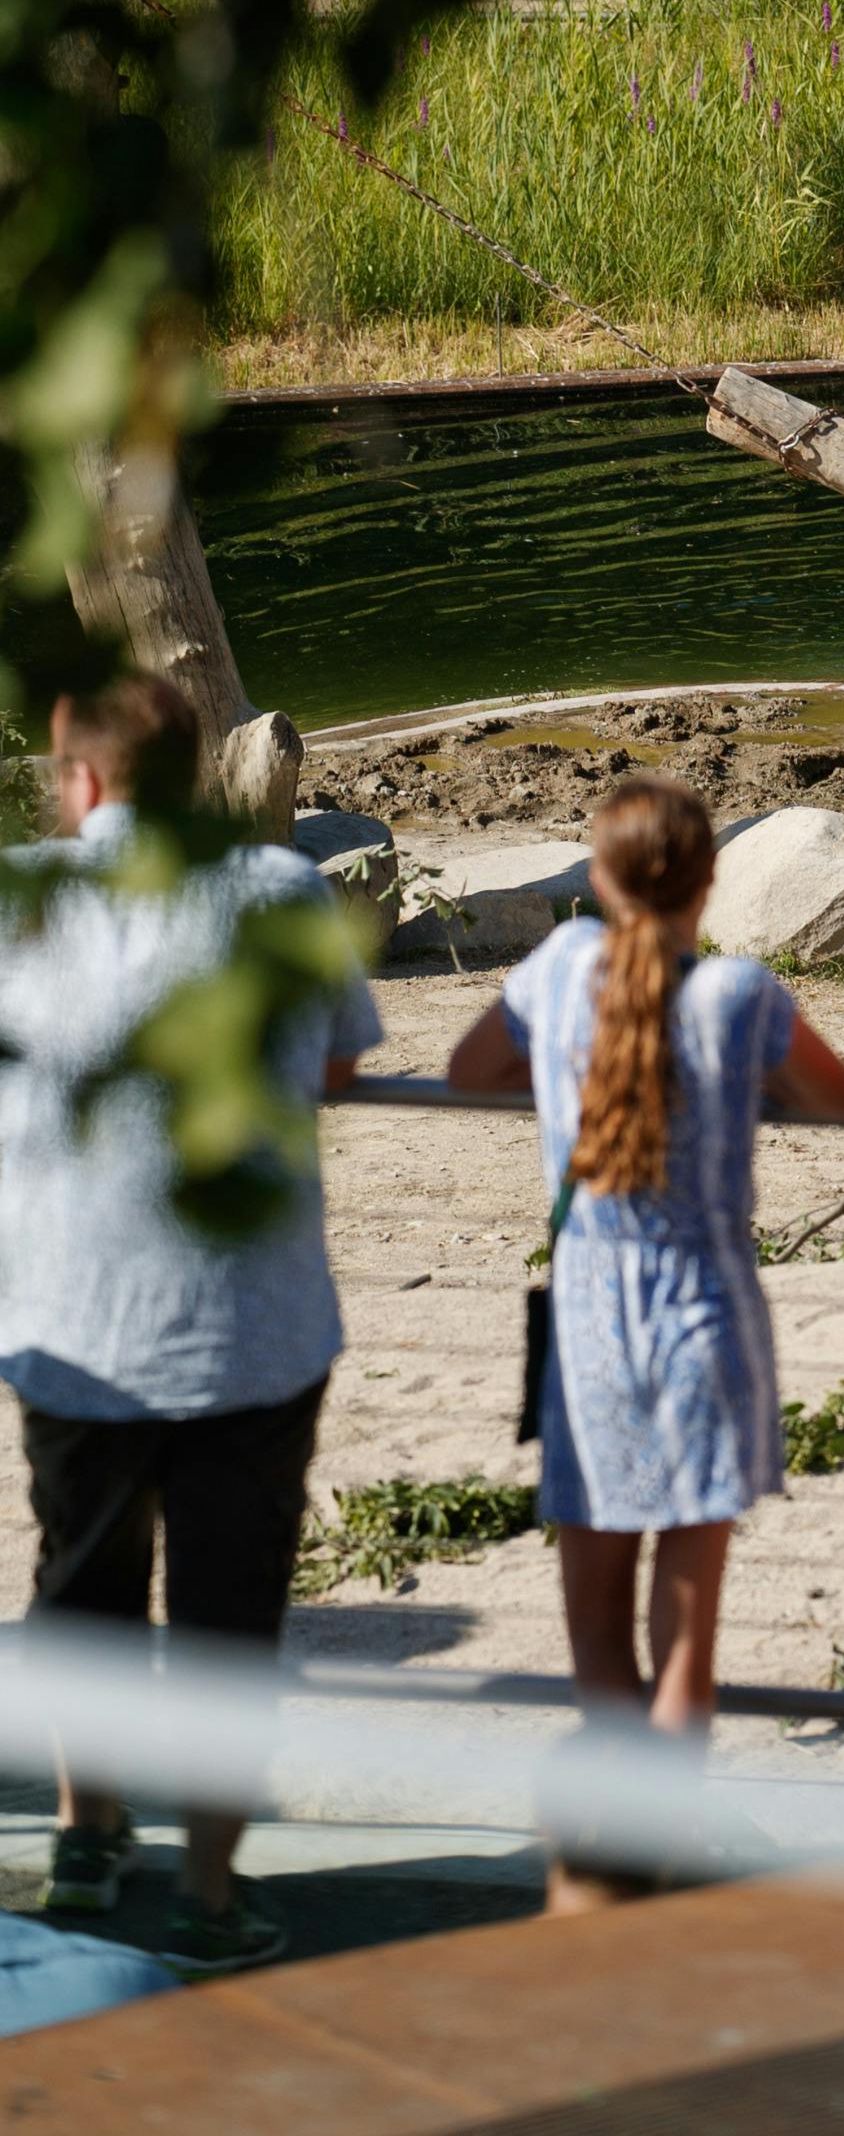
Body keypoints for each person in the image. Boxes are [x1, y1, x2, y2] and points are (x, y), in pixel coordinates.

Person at [0, 677, 378, 1975]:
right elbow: (338, 1058)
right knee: (230, 1612)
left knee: (78, 1586)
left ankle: (85, 1831)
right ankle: (212, 1892)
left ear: (84, 779)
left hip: (74, 1315)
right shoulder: (279, 891)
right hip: (250, 1327)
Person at [446, 777, 844, 1913]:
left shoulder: (556, 976)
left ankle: (607, 1862)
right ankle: (665, 1854)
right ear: (708, 879)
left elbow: (464, 1071)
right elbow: (840, 1097)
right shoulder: (738, 994)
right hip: (706, 1324)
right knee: (689, 1645)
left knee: (600, 1651)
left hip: (587, 1329)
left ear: (599, 878)